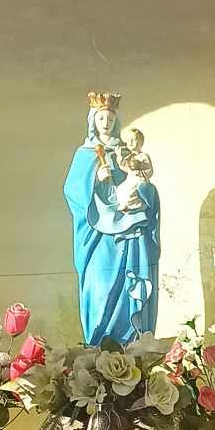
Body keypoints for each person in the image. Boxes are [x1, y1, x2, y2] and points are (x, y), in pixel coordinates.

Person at [63, 91, 161, 346]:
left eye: (110, 119)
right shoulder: (85, 154)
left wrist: (141, 194)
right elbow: (73, 191)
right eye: (101, 118)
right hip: (99, 238)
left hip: (127, 234)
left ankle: (131, 345)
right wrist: (96, 179)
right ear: (93, 121)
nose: (105, 123)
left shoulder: (125, 152)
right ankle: (98, 344)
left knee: (129, 288)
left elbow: (145, 184)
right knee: (100, 289)